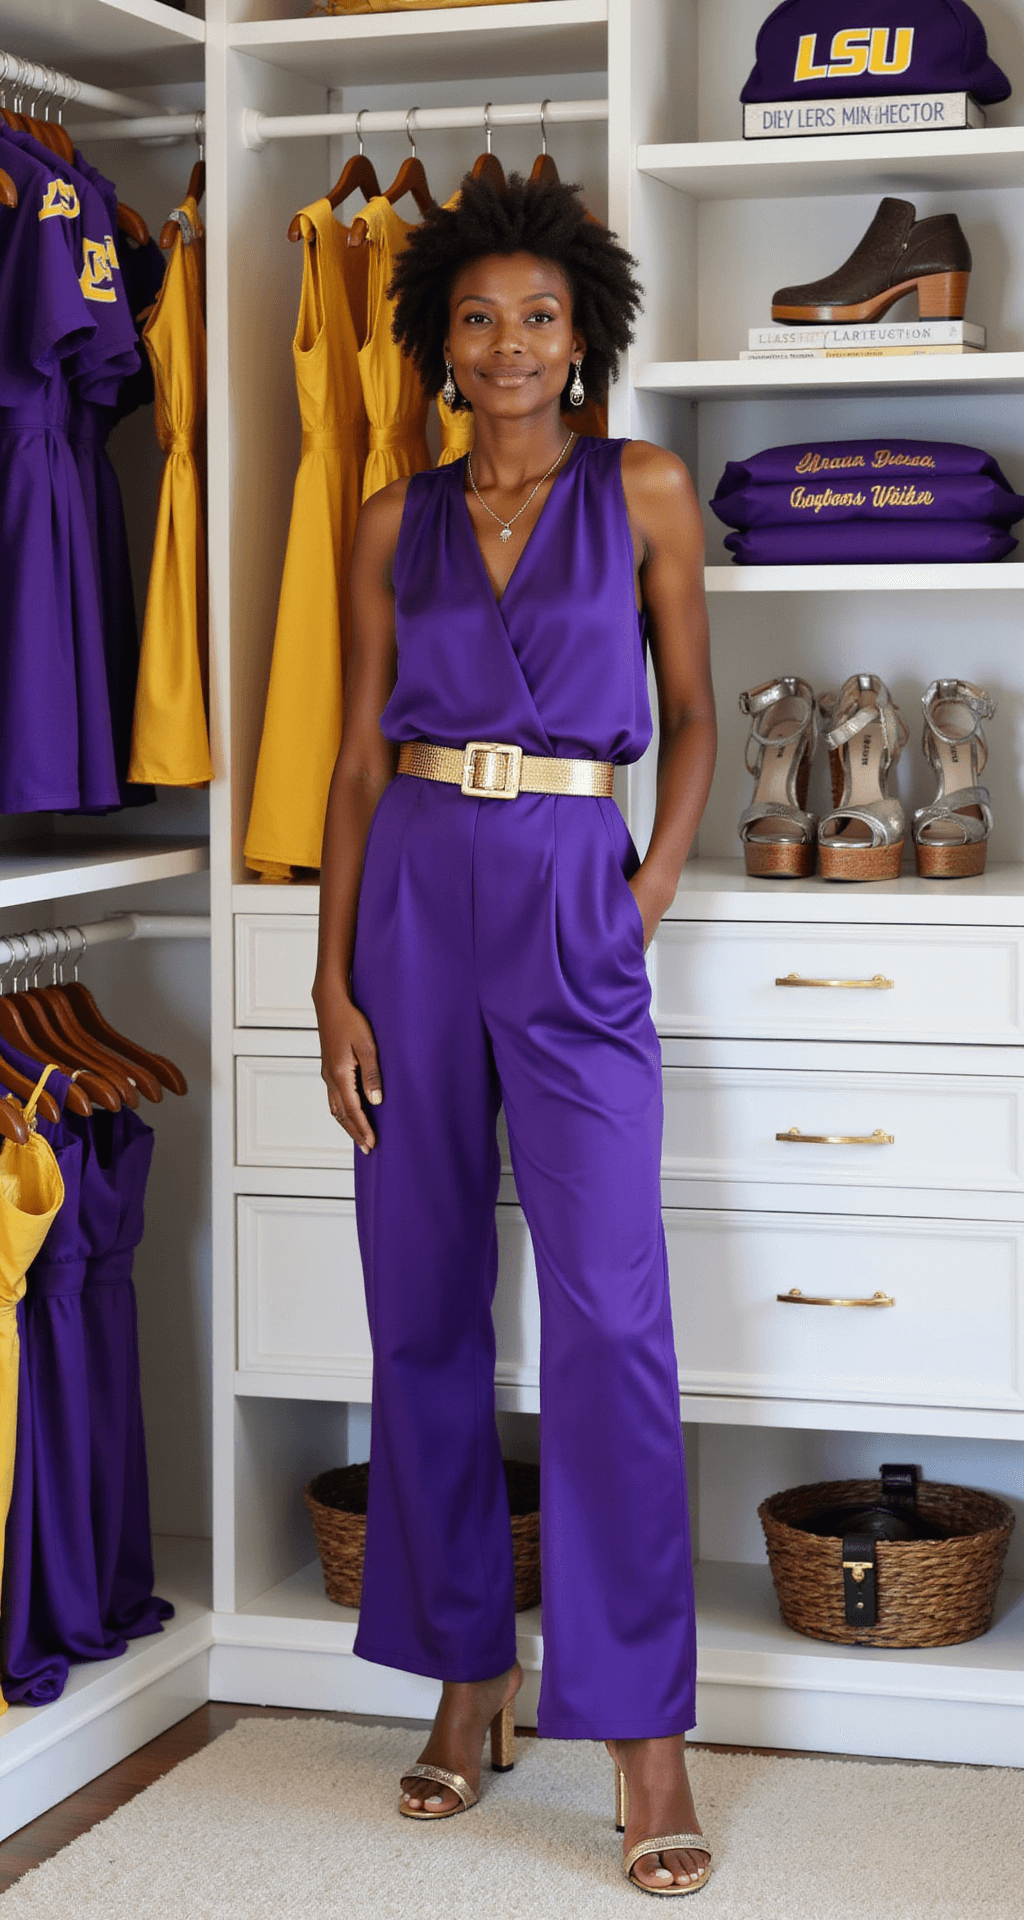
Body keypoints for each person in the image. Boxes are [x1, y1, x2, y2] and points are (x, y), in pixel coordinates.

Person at [312, 171, 716, 1897]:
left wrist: (645, 892)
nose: (509, 344)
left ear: (583, 333)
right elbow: (351, 757)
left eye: (539, 316)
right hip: (410, 893)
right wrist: (331, 978)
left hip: (571, 885)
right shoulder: (388, 522)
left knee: (611, 1314)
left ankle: (642, 1732)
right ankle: (466, 1676)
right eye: (478, 317)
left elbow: (692, 716)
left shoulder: (644, 489)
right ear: (439, 342)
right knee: (420, 1304)